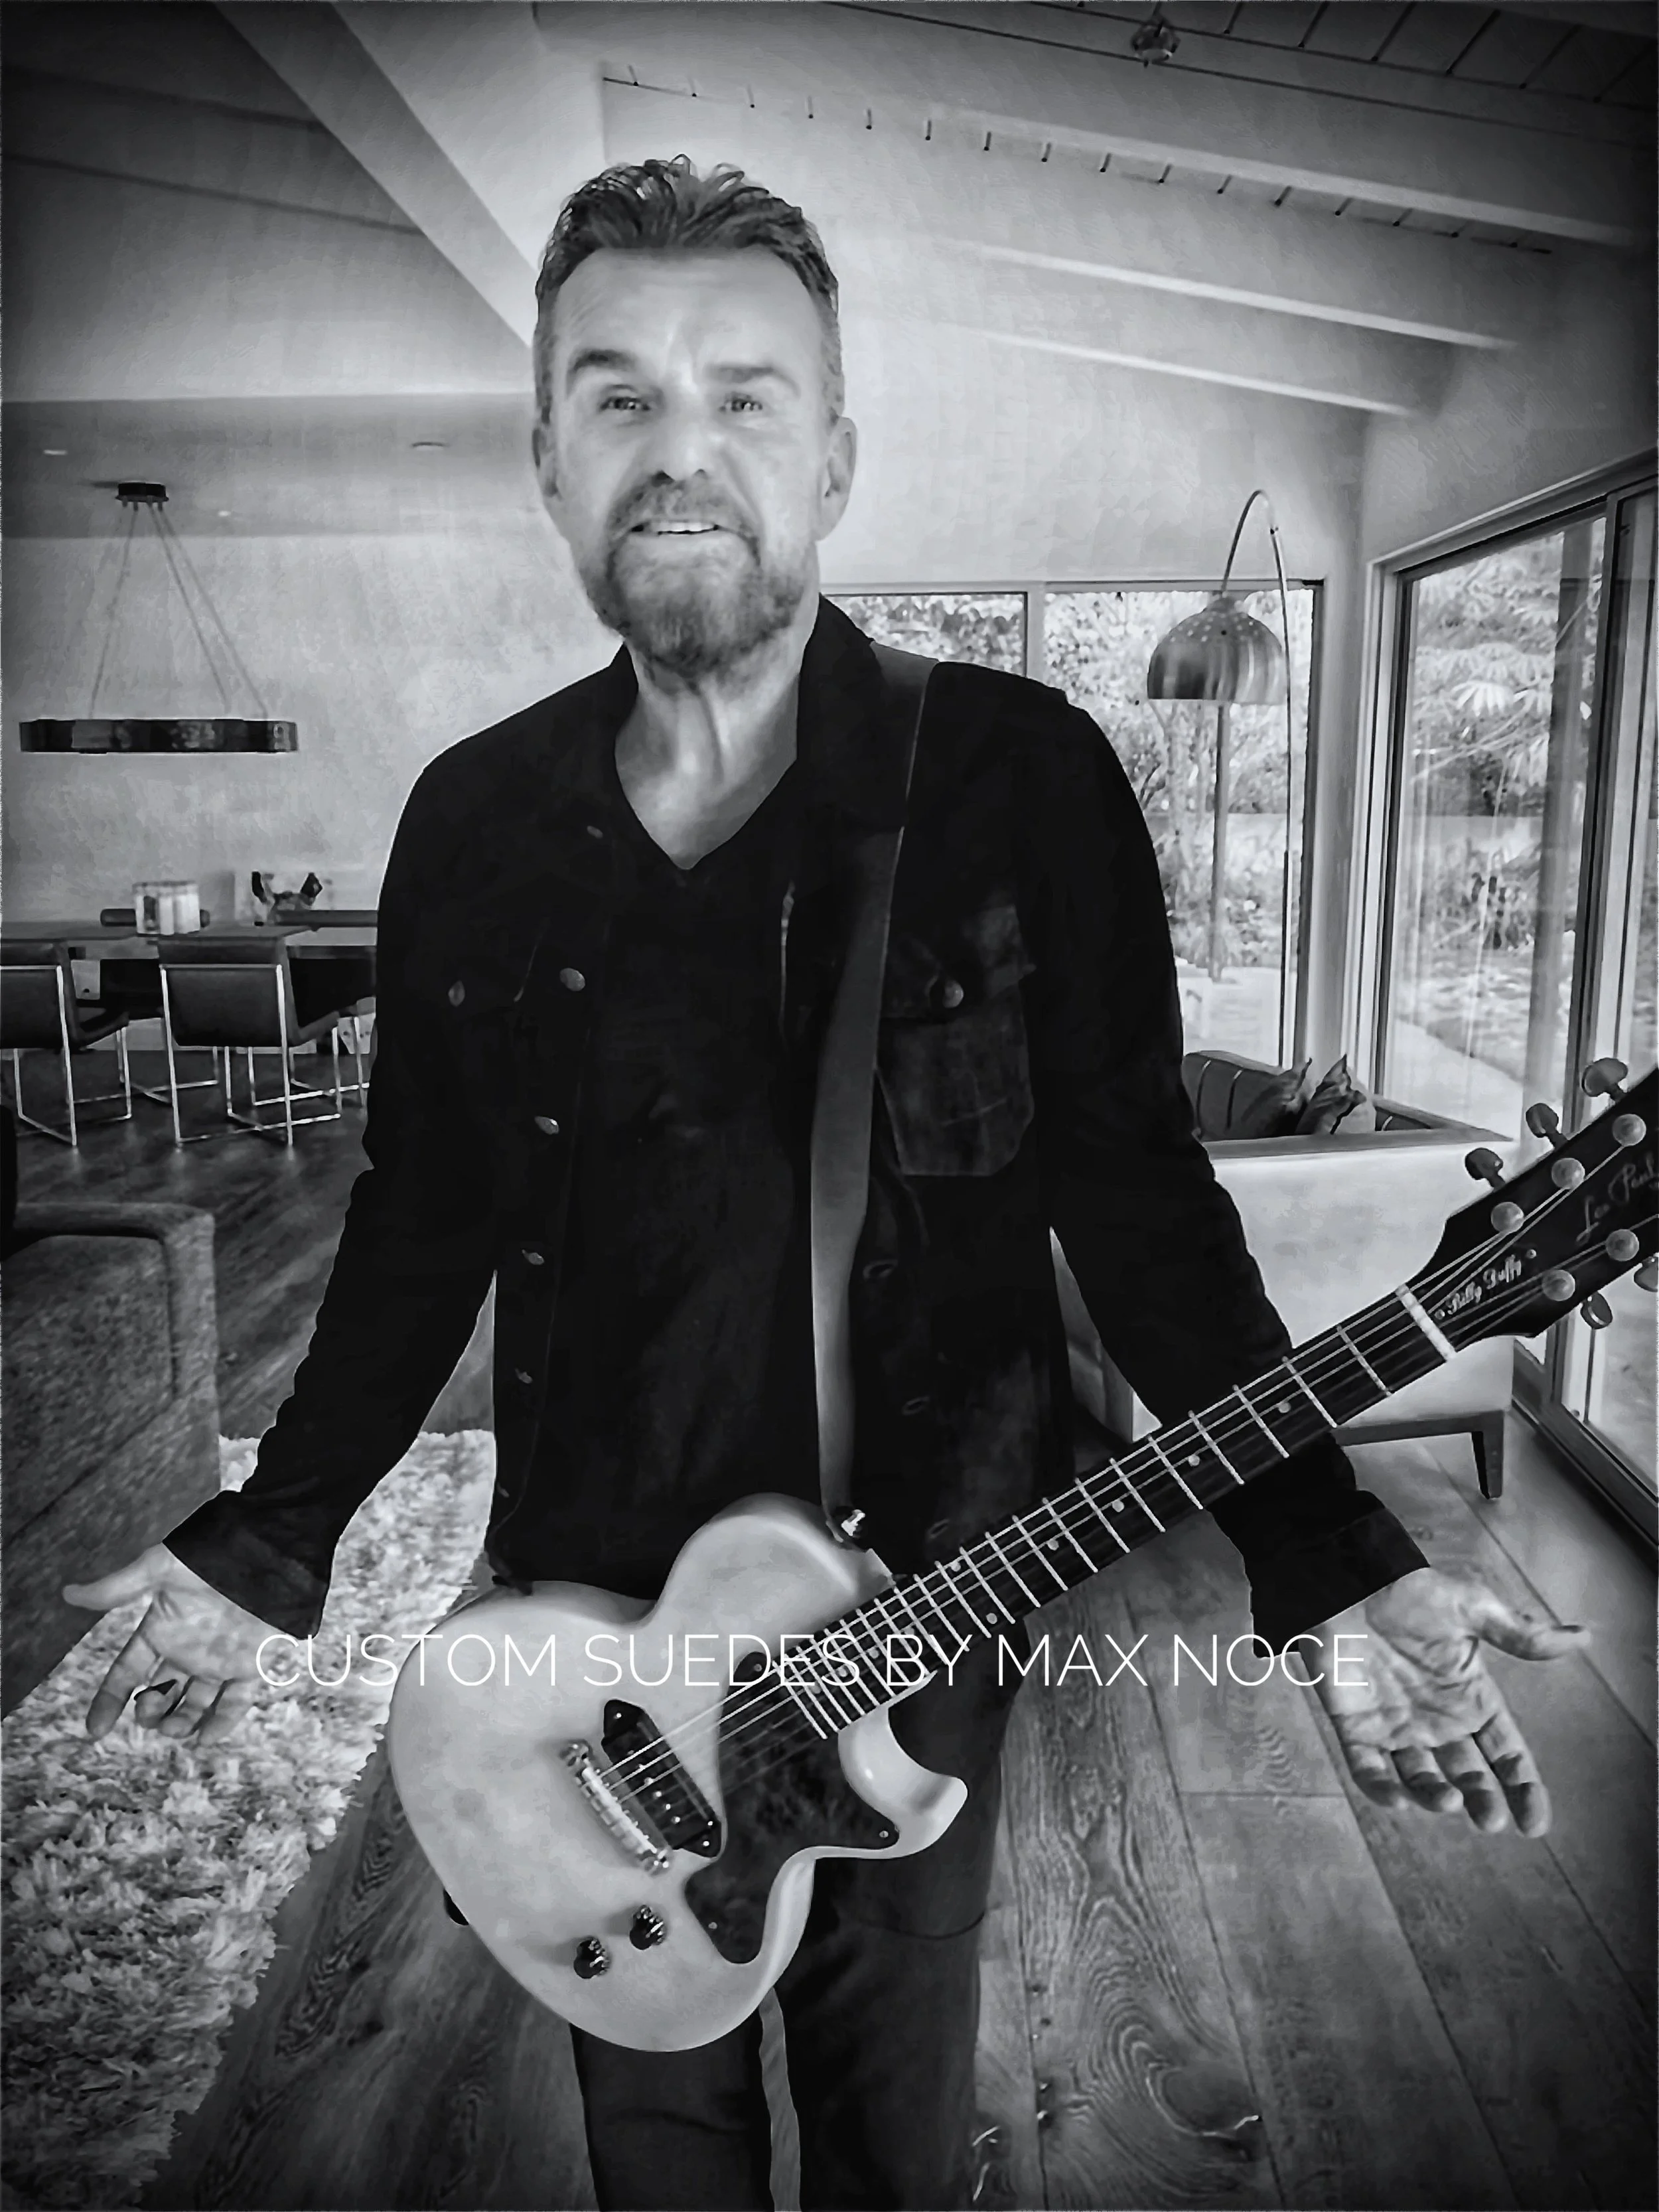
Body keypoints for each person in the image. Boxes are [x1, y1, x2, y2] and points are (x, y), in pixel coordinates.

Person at [65, 159, 1585, 2212]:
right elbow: (418, 1220)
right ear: (544, 453)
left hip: (922, 1599)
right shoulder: (474, 819)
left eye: (745, 396)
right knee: (654, 2128)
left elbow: (1144, 1212)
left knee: (892, 2100)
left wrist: (1328, 1545)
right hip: (577, 1620)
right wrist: (279, 1530)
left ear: (838, 452)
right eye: (615, 395)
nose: (679, 451)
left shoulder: (1022, 783)